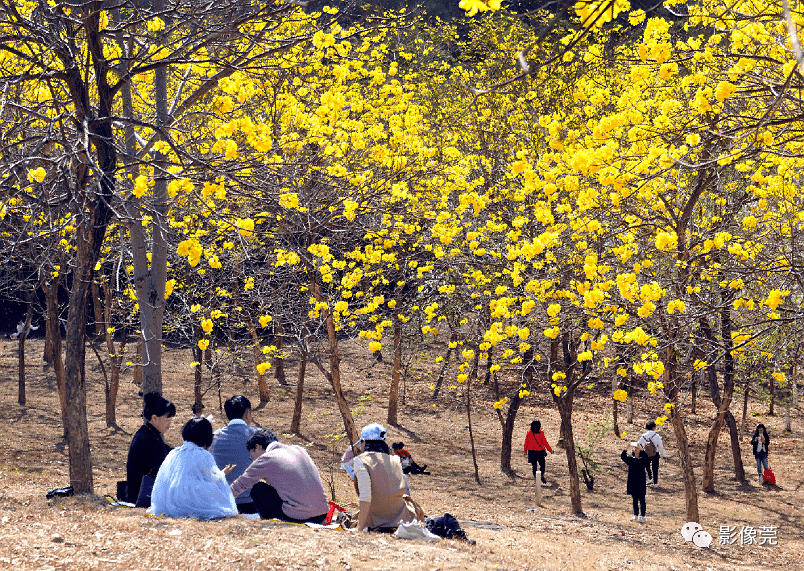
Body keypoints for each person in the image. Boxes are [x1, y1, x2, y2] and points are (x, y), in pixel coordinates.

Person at [148, 416, 238, 519]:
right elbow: (212, 479)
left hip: (170, 498)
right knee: (213, 489)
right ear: (206, 436)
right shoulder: (203, 454)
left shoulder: (174, 452)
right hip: (192, 499)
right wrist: (223, 473)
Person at [230, 429, 329, 523]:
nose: (253, 460)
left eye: (252, 456)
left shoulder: (266, 458)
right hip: (322, 514)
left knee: (258, 489)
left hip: (298, 517)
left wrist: (223, 499)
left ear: (257, 447)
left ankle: (268, 522)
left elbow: (241, 483)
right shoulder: (299, 449)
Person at [349, 423, 420, 532]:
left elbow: (366, 497)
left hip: (375, 520)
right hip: (401, 519)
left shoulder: (360, 460)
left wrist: (360, 528)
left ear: (364, 442)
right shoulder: (396, 460)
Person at [124, 392, 176, 505]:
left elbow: (167, 450)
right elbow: (159, 469)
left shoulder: (152, 433)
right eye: (167, 420)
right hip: (140, 497)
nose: (169, 425)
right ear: (154, 418)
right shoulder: (145, 438)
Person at [210, 395, 258, 513]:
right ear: (247, 414)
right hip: (251, 502)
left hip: (221, 501)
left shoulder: (213, 437)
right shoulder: (258, 435)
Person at [637, 420, 668, 488]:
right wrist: (664, 455)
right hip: (655, 454)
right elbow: (660, 446)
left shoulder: (643, 436)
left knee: (647, 466)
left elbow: (639, 444)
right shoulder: (657, 436)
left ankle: (650, 478)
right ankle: (655, 483)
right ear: (653, 427)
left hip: (646, 454)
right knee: (655, 468)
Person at [622, 444, 648, 523]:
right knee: (634, 499)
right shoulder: (631, 459)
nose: (636, 449)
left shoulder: (642, 459)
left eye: (637, 448)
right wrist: (627, 447)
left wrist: (642, 450)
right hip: (632, 481)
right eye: (635, 448)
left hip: (641, 481)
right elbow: (623, 457)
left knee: (642, 500)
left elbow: (646, 460)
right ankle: (635, 515)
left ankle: (642, 516)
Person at [523, 420, 553, 484]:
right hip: (540, 452)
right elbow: (545, 443)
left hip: (531, 452)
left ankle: (537, 478)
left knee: (534, 466)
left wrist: (525, 451)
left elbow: (526, 443)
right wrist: (550, 450)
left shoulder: (529, 433)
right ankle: (541, 474)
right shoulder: (541, 433)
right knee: (542, 465)